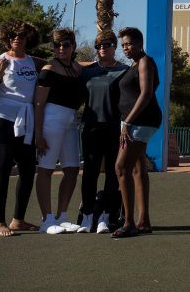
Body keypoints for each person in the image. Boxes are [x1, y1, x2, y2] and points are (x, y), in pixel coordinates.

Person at [0, 21, 41, 237]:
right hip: (2, 120)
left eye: (21, 35)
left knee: (28, 170)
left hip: (26, 122)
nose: (17, 38)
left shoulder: (34, 62)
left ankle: (18, 220)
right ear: (6, 38)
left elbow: (64, 64)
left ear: (28, 38)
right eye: (13, 35)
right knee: (3, 168)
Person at [34, 28, 86, 234]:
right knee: (46, 169)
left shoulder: (76, 68)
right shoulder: (49, 68)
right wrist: (38, 134)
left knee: (72, 168)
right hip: (51, 120)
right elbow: (38, 103)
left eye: (66, 44)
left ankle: (62, 215)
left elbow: (91, 66)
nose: (61, 48)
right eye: (57, 45)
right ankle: (46, 219)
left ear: (73, 46)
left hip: (71, 121)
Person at [76, 29, 129, 234]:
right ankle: (88, 215)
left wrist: (126, 125)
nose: (102, 49)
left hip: (115, 128)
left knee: (112, 174)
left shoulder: (124, 70)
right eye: (98, 46)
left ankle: (106, 217)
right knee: (89, 172)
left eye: (106, 45)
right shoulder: (88, 71)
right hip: (91, 127)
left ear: (114, 47)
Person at [113, 26, 162, 238]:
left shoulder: (144, 62)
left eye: (129, 44)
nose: (125, 48)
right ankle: (144, 221)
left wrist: (127, 123)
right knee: (137, 169)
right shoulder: (133, 64)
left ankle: (129, 223)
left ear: (140, 43)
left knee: (121, 167)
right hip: (135, 122)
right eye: (123, 45)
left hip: (140, 122)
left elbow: (146, 94)